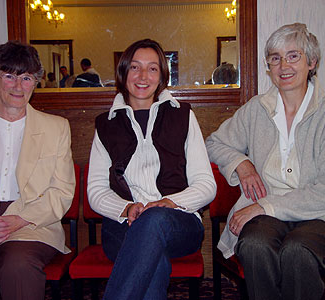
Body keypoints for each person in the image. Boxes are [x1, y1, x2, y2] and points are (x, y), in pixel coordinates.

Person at [206, 23, 325, 300]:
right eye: (275, 58)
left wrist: (266, 205)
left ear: (312, 62)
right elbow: (214, 144)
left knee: (298, 251)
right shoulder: (256, 108)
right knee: (252, 245)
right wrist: (242, 163)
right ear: (268, 66)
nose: (283, 65)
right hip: (269, 211)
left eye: (293, 56)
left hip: (324, 213)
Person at [87, 38, 216, 300]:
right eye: (135, 68)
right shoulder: (106, 124)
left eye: (152, 68)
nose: (143, 76)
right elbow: (96, 190)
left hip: (179, 223)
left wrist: (169, 202)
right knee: (152, 260)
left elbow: (206, 185)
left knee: (153, 221)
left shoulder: (182, 116)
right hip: (123, 224)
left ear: (162, 76)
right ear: (123, 73)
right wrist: (125, 208)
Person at [0, 41, 76, 300]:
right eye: (9, 76)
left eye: (27, 77)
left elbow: (62, 191)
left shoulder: (56, 128)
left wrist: (18, 220)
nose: (19, 86)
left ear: (35, 82)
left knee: (18, 267)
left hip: (32, 223)